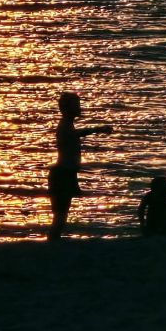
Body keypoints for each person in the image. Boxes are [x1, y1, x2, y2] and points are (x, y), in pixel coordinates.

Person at [47, 92, 112, 241]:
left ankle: (53, 242)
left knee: (61, 216)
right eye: (76, 105)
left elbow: (77, 134)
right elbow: (76, 134)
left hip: (67, 173)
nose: (79, 108)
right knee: (60, 216)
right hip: (62, 174)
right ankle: (52, 243)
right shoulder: (65, 125)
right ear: (67, 108)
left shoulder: (68, 124)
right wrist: (98, 129)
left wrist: (97, 130)